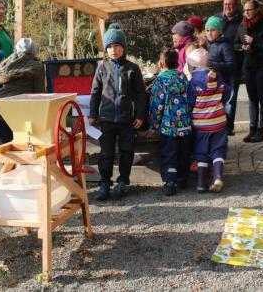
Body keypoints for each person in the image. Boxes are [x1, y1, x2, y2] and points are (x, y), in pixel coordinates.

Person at [89, 23, 146, 201]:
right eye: (110, 46)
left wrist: (140, 116)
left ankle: (122, 182)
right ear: (106, 49)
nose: (113, 50)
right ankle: (105, 183)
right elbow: (95, 92)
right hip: (106, 119)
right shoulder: (101, 68)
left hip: (126, 120)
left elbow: (140, 95)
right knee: (106, 154)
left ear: (123, 47)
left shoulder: (132, 69)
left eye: (117, 46)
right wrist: (92, 114)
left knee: (126, 152)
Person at [146, 49, 192, 196]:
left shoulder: (160, 80)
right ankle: (183, 178)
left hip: (168, 126)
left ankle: (170, 181)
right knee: (184, 153)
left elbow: (156, 105)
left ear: (161, 64)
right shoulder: (183, 77)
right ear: (177, 62)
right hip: (185, 124)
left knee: (169, 153)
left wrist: (153, 126)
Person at [186, 47, 228, 192]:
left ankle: (201, 183)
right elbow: (226, 93)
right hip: (218, 121)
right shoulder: (218, 76)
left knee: (201, 152)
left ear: (192, 65)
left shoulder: (193, 82)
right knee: (218, 150)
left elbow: (190, 102)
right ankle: (217, 177)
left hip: (201, 124)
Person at [0, 38, 46, 144]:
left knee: (6, 146)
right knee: (21, 145)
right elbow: (39, 93)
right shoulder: (37, 66)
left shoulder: (5, 63)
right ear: (34, 50)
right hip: (19, 109)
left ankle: (7, 161)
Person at [239, 0, 263, 143]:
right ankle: (252, 129)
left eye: (249, 10)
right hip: (249, 66)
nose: (246, 13)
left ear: (256, 10)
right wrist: (242, 47)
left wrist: (255, 42)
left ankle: (261, 130)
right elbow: (236, 44)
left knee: (262, 97)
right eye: (245, 10)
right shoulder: (242, 26)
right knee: (252, 99)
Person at [216, 0, 244, 135]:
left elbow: (244, 42)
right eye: (225, 4)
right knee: (218, 96)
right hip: (219, 66)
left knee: (231, 97)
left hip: (234, 66)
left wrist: (234, 48)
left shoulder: (242, 21)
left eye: (230, 4)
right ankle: (219, 125)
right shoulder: (217, 20)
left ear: (236, 5)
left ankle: (228, 127)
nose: (227, 7)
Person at [204, 15, 235, 87]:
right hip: (211, 84)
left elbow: (231, 65)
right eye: (207, 30)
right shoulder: (208, 45)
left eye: (213, 30)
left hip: (223, 84)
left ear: (219, 31)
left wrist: (212, 65)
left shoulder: (224, 45)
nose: (209, 33)